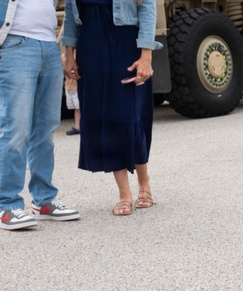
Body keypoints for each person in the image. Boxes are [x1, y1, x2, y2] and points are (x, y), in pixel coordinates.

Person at [61, 0, 161, 217]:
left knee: (130, 116)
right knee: (108, 118)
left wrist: (146, 55)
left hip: (126, 44)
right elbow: (71, 15)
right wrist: (69, 55)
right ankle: (124, 194)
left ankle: (144, 183)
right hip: (91, 45)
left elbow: (147, 8)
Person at [0, 0, 81, 232]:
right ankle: (6, 204)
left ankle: (44, 199)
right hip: (15, 43)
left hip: (48, 44)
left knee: (45, 130)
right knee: (16, 128)